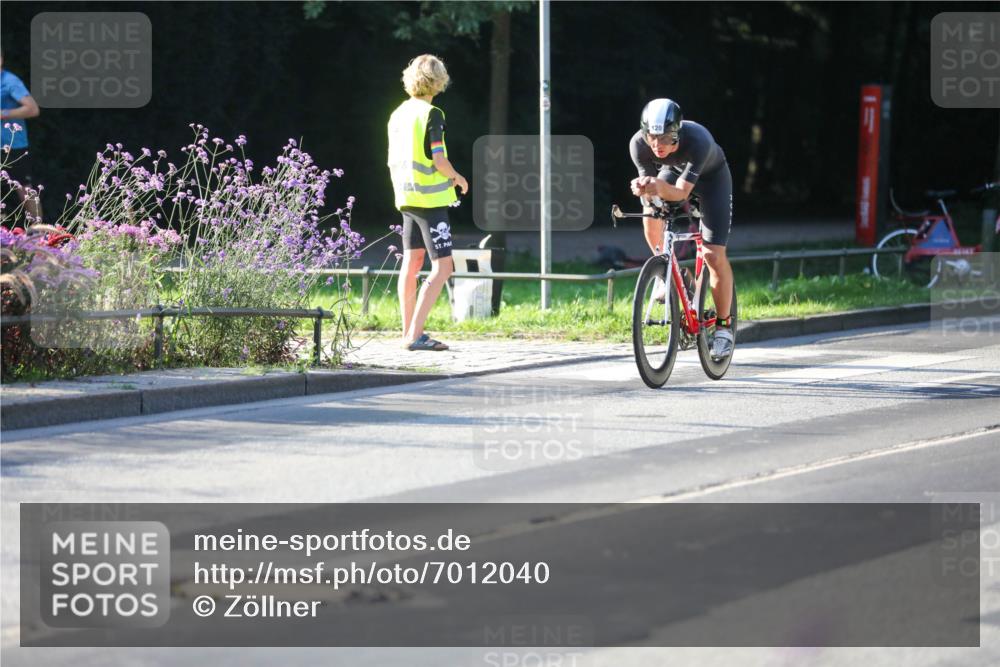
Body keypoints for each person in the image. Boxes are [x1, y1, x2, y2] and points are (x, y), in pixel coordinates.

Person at [629, 98, 735, 360]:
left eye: (665, 138)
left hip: (712, 181)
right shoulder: (638, 144)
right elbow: (653, 188)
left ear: (677, 131)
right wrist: (644, 188)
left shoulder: (698, 139)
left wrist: (657, 187)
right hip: (673, 174)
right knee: (650, 216)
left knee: (713, 254)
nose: (657, 145)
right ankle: (671, 274)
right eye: (652, 137)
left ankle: (723, 326)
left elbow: (679, 193)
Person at [387, 54, 468, 351]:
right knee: (443, 267)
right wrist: (458, 177)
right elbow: (438, 158)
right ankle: (415, 335)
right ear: (439, 80)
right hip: (431, 200)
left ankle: (406, 331)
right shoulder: (432, 114)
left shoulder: (398, 113)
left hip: (406, 195)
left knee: (411, 263)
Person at [0, 50, 42, 224]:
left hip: (13, 146)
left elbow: (32, 109)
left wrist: (3, 113)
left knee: (25, 191)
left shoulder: (10, 81)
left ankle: (40, 236)